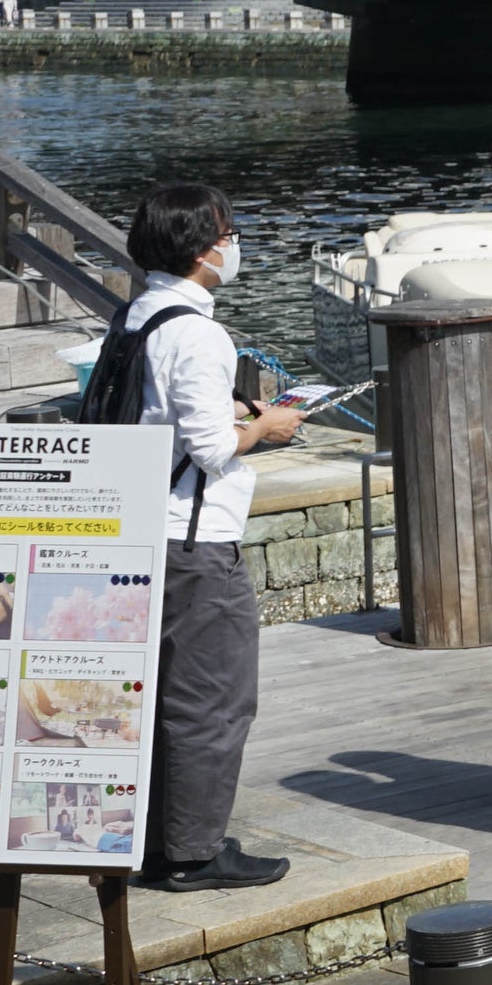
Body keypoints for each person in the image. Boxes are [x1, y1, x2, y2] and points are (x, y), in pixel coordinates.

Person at [118, 184, 308, 890]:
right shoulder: (200, 333)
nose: (234, 246)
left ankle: (157, 838)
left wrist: (232, 412)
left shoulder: (139, 315)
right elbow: (211, 449)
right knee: (214, 697)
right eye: (228, 235)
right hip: (194, 540)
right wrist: (266, 426)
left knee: (163, 694)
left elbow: (157, 415)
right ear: (202, 251)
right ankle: (193, 853)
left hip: (142, 527)